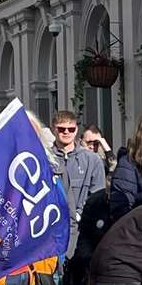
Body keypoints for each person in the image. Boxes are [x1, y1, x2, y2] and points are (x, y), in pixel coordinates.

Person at [51, 110, 107, 262]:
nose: (66, 132)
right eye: (62, 129)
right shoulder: (45, 159)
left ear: (76, 130)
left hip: (83, 233)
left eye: (71, 129)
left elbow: (97, 196)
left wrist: (80, 214)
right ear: (53, 129)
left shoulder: (92, 160)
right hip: (53, 233)